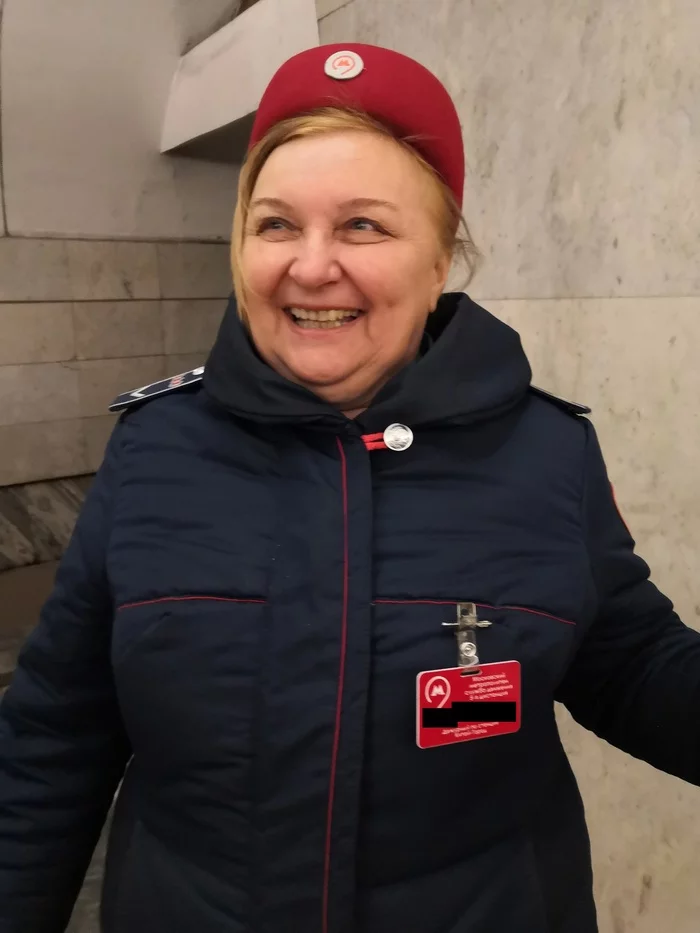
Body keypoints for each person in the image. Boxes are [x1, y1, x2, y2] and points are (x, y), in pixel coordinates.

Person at [0, 41, 698, 933]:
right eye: (277, 223)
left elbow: (632, 664)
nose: (311, 264)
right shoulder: (156, 450)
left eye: (363, 225)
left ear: (440, 260)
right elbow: (54, 738)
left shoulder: (545, 453)